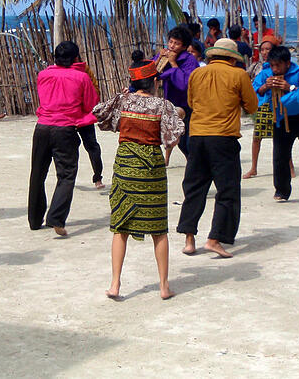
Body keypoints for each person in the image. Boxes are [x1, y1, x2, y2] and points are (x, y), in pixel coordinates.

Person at [93, 51, 185, 300]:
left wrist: (123, 96)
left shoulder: (123, 101)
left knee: (120, 227)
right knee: (159, 229)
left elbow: (100, 115)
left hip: (125, 167)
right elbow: (172, 138)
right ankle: (164, 286)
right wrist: (179, 115)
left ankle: (115, 284)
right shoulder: (162, 106)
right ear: (154, 81)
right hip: (152, 170)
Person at [176, 38, 258, 258]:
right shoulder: (239, 75)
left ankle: (189, 239)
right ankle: (215, 239)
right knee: (227, 190)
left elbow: (191, 102)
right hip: (223, 137)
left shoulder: (197, 74)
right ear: (232, 58)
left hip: (197, 135)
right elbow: (252, 106)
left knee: (194, 188)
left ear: (212, 56)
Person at [27, 41, 99, 236]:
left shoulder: (43, 75)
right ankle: (56, 218)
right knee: (66, 175)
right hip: (65, 129)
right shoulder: (82, 77)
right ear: (76, 58)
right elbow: (91, 104)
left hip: (42, 127)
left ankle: (34, 220)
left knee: (37, 173)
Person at [255, 45, 299, 210]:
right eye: (272, 65)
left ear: (287, 63)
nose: (275, 69)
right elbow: (254, 91)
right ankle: (282, 190)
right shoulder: (266, 74)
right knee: (280, 156)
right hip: (280, 118)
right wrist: (265, 87)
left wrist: (290, 88)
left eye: (278, 65)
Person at [243, 35, 295, 179]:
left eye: (268, 49)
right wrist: (266, 86)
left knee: (282, 138)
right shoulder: (263, 71)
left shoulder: (286, 70)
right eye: (263, 50)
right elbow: (256, 90)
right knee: (257, 137)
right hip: (265, 106)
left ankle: (290, 167)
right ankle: (253, 168)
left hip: (281, 107)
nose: (265, 52)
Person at [155, 25, 199, 165]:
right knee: (178, 139)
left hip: (187, 104)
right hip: (171, 103)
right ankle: (193, 164)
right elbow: (152, 73)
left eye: (177, 43)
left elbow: (184, 85)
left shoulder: (190, 61)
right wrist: (159, 58)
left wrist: (173, 63)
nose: (172, 46)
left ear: (184, 46)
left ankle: (195, 164)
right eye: (171, 42)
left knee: (187, 140)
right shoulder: (165, 55)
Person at [73, 56, 105, 189]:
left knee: (90, 147)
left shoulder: (84, 70)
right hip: (80, 116)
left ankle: (97, 177)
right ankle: (97, 178)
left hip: (78, 116)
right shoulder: (84, 70)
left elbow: (94, 90)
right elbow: (95, 91)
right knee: (91, 147)